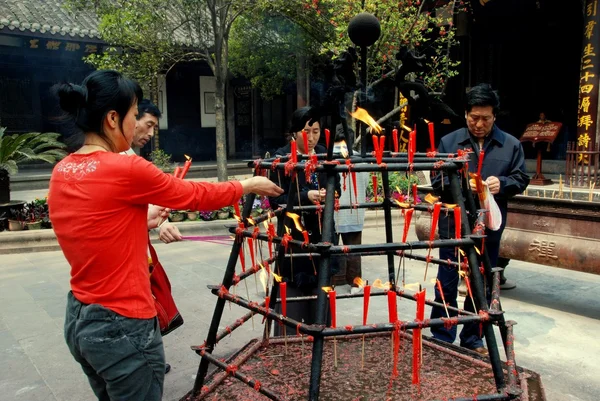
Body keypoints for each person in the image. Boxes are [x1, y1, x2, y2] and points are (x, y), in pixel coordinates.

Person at [48, 69, 282, 401]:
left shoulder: (62, 170)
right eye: (133, 116)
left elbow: (93, 227)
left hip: (81, 319)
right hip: (123, 322)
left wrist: (142, 218)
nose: (135, 126)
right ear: (113, 118)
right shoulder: (126, 167)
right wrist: (247, 184)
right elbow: (192, 194)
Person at [429, 83, 529, 355]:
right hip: (453, 222)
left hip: (488, 227)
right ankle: (442, 335)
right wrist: (462, 184)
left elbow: (522, 178)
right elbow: (436, 180)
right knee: (446, 278)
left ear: (495, 116)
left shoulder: (510, 145)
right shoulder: (450, 142)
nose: (480, 124)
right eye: (474, 118)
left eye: (486, 118)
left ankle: (473, 337)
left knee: (480, 279)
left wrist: (503, 183)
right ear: (466, 114)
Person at [269, 107, 340, 334]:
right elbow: (276, 199)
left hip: (322, 232)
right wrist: (305, 196)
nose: (311, 138)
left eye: (316, 131)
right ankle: (289, 346)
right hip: (294, 236)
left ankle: (320, 341)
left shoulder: (325, 155)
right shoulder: (280, 158)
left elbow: (335, 186)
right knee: (292, 299)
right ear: (294, 132)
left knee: (321, 295)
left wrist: (331, 193)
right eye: (306, 131)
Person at [332, 124, 368, 293]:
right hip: (355, 209)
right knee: (354, 250)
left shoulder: (331, 157)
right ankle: (355, 283)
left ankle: (331, 279)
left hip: (335, 210)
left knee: (330, 247)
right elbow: (366, 183)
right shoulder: (361, 160)